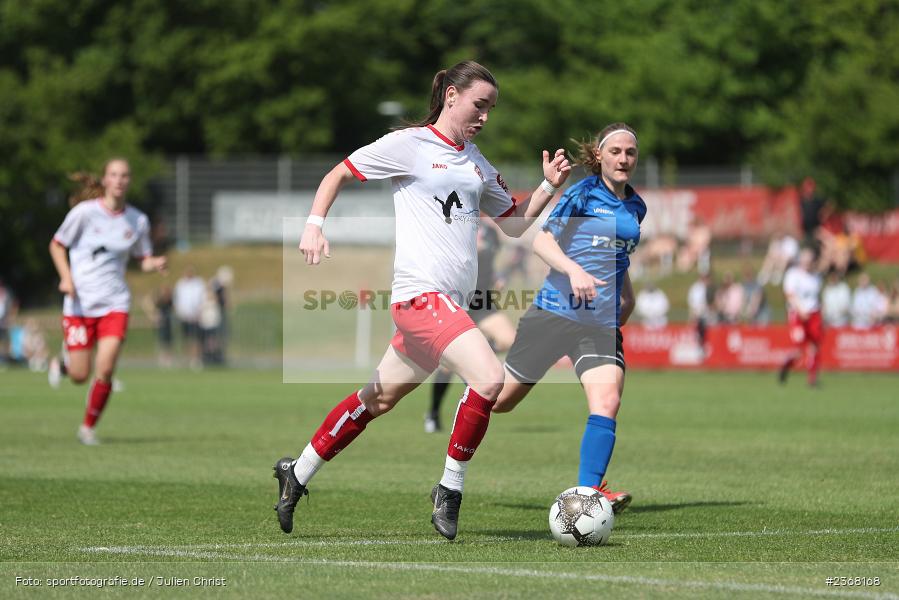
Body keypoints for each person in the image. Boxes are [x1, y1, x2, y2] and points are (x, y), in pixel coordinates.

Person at [275, 61, 572, 540]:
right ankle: (449, 489)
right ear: (451, 96)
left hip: (448, 307)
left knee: (377, 399)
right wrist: (314, 224)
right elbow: (339, 174)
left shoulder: (477, 162)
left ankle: (298, 470)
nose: (485, 117)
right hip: (420, 299)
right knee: (489, 376)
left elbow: (514, 224)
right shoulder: (408, 145)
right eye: (480, 105)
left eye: (491, 109)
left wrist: (547, 186)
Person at [491, 123, 646, 514]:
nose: (624, 159)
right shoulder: (582, 194)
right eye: (616, 152)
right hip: (554, 313)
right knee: (499, 401)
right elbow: (542, 241)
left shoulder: (635, 207)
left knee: (607, 399)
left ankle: (588, 495)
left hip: (600, 324)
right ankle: (452, 470)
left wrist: (627, 295)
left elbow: (618, 256)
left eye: (630, 152)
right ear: (600, 155)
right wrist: (574, 270)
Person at [47, 159, 167, 444]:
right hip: (79, 305)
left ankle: (87, 428)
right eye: (114, 175)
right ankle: (63, 365)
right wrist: (66, 278)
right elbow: (56, 245)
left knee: (106, 368)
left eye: (125, 175)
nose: (119, 180)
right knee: (80, 374)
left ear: (130, 180)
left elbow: (141, 259)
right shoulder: (84, 214)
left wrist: (155, 263)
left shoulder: (137, 220)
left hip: (115, 303)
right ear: (104, 179)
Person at [426, 219, 516, 433]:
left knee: (509, 339)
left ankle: (472, 354)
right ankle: (433, 413)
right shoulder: (452, 225)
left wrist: (497, 277)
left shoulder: (490, 231)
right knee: (447, 367)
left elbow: (488, 262)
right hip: (457, 301)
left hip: (483, 301)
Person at [778, 248, 824, 387]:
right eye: (805, 260)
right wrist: (800, 309)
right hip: (797, 314)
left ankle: (812, 379)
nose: (807, 264)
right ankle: (786, 366)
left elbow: (816, 298)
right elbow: (790, 294)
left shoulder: (817, 277)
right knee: (798, 351)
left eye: (810, 261)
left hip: (813, 314)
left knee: (814, 347)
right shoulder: (793, 275)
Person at [173, 265, 205, 369]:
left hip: (196, 316)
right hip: (184, 316)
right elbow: (177, 299)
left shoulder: (199, 283)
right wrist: (180, 312)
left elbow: (202, 297)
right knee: (187, 338)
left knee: (196, 338)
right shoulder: (180, 284)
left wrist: (200, 311)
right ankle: (188, 358)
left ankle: (196, 359)